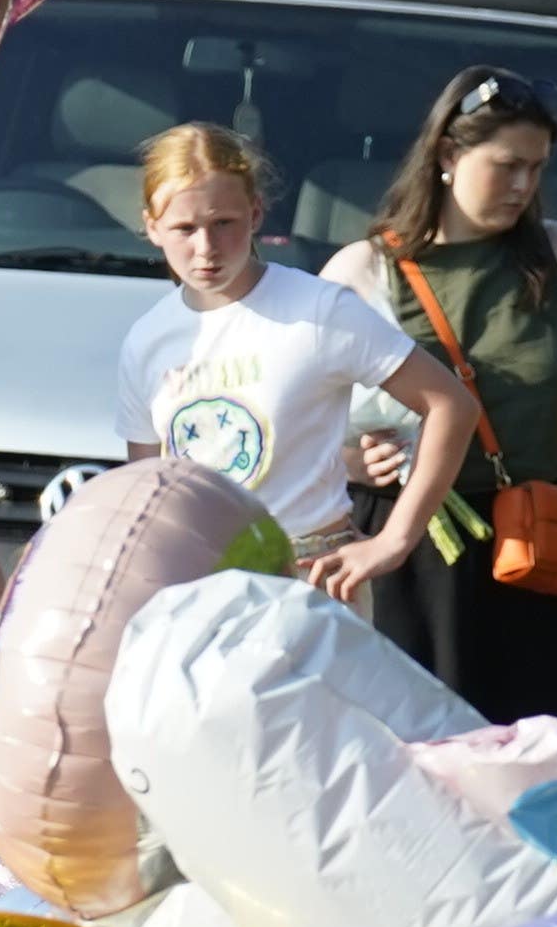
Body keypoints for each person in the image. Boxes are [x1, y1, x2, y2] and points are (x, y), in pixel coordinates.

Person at [323, 64, 557, 729]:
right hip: (415, 552)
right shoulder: (364, 271)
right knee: (428, 761)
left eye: (536, 168)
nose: (525, 186)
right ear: (448, 153)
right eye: (506, 166)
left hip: (544, 541)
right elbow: (295, 405)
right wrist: (348, 462)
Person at [116, 124, 469, 595]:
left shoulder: (320, 310)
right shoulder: (147, 339)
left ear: (256, 213)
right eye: (185, 228)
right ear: (153, 228)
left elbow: (451, 404)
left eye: (224, 223)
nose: (206, 248)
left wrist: (395, 540)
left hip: (308, 581)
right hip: (196, 588)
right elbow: (147, 487)